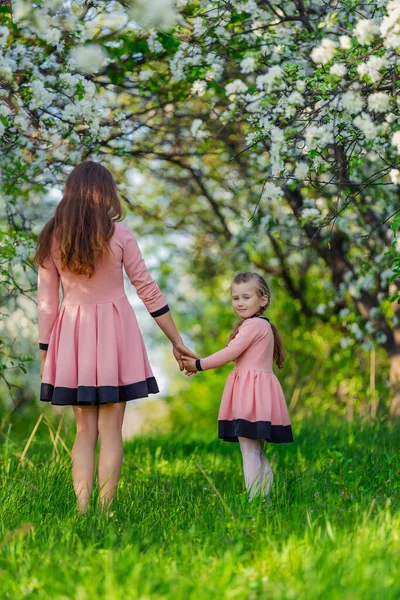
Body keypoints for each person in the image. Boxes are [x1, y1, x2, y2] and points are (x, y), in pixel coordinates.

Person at [35, 161, 197, 513]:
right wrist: (176, 340)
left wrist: (46, 354)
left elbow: (47, 304)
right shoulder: (119, 234)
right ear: (106, 192)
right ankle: (106, 512)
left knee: (83, 432)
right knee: (111, 430)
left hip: (73, 339)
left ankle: (82, 510)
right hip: (115, 337)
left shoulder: (52, 236)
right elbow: (148, 291)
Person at [182, 272, 293, 500]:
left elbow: (230, 353)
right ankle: (266, 500)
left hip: (251, 395)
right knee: (258, 451)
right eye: (235, 298)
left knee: (249, 450)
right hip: (260, 393)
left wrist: (198, 364)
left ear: (263, 300)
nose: (240, 302)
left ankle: (255, 502)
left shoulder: (252, 326)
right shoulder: (262, 326)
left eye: (246, 297)